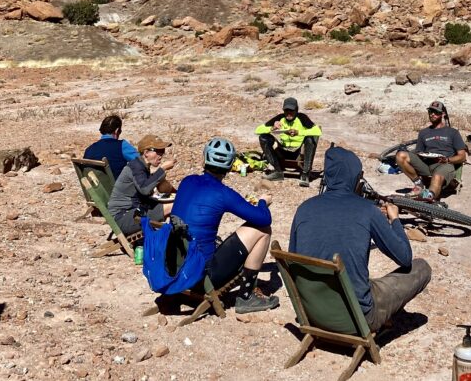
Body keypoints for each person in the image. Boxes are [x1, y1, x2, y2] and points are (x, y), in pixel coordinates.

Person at [290, 146, 431, 331]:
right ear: (356, 177)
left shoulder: (303, 209)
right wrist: (394, 219)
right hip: (356, 320)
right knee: (421, 267)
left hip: (312, 314)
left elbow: (293, 263)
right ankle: (380, 317)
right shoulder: (367, 210)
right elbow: (404, 258)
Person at [171, 137, 279, 314]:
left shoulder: (187, 181)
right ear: (230, 167)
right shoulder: (223, 193)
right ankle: (246, 296)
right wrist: (262, 202)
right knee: (263, 231)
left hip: (175, 267)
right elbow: (263, 219)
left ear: (204, 159)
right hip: (201, 276)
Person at [395, 100, 467, 200]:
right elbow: (418, 152)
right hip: (426, 165)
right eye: (430, 111)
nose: (432, 114)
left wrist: (447, 160)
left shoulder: (452, 132)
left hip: (444, 165)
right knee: (400, 155)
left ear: (443, 114)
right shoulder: (424, 133)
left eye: (436, 112)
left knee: (437, 176)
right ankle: (419, 185)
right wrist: (421, 154)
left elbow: (462, 156)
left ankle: (427, 197)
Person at [107, 134, 176, 236]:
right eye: (158, 151)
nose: (161, 155)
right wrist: (162, 169)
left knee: (173, 203)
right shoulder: (136, 167)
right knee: (173, 207)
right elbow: (144, 189)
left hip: (130, 212)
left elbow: (145, 191)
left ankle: (171, 239)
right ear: (146, 152)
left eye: (162, 151)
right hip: (123, 218)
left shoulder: (141, 166)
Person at [254, 97, 322, 186]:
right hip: (283, 151)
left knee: (310, 139)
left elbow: (317, 131)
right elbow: (257, 130)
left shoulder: (302, 118)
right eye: (286, 110)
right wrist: (272, 128)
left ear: (296, 110)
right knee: (263, 137)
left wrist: (299, 132)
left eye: (291, 110)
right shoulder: (280, 118)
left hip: (298, 152)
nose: (289, 113)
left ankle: (305, 174)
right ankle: (277, 172)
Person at [84, 114, 140, 178]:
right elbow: (141, 161)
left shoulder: (89, 149)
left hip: (95, 187)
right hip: (117, 187)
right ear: (116, 131)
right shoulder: (122, 146)